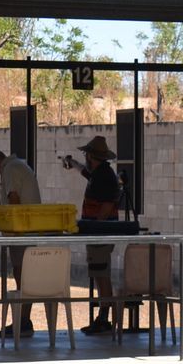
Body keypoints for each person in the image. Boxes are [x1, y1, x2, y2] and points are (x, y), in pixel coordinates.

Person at [0, 145, 51, 335]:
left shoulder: (10, 169)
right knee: (22, 277)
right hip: (24, 231)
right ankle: (23, 320)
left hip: (21, 233)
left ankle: (23, 321)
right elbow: (6, 207)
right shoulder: (16, 166)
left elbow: (13, 201)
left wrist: (12, 229)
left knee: (22, 277)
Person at [75, 135, 121, 334]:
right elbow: (88, 175)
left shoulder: (104, 175)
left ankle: (104, 318)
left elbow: (108, 204)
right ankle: (102, 317)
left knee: (102, 276)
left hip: (100, 233)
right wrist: (75, 165)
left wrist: (95, 227)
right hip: (97, 232)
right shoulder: (100, 173)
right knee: (100, 274)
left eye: (86, 155)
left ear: (92, 155)